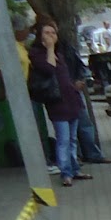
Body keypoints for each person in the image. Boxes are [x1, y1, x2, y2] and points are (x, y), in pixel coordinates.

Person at [28, 18, 84, 187]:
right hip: (57, 102)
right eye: (47, 33)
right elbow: (48, 69)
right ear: (40, 36)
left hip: (71, 99)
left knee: (73, 139)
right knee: (63, 139)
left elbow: (64, 75)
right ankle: (65, 173)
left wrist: (75, 86)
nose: (51, 36)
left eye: (53, 33)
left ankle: (74, 169)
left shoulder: (59, 54)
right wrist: (50, 48)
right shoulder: (37, 53)